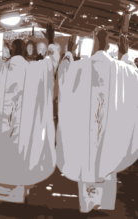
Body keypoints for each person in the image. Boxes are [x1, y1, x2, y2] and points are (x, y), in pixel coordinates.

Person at [0, 22, 57, 204]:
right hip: (22, 136)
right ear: (26, 52)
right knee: (20, 157)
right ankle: (17, 195)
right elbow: (52, 61)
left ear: (10, 49)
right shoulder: (34, 71)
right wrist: (50, 37)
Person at [56, 30, 138, 212]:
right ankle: (104, 204)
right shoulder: (119, 68)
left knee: (87, 162)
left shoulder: (80, 68)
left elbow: (63, 75)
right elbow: (134, 76)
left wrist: (69, 52)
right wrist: (125, 56)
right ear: (109, 46)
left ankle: (87, 204)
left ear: (93, 44)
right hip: (108, 133)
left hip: (85, 134)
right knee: (106, 160)